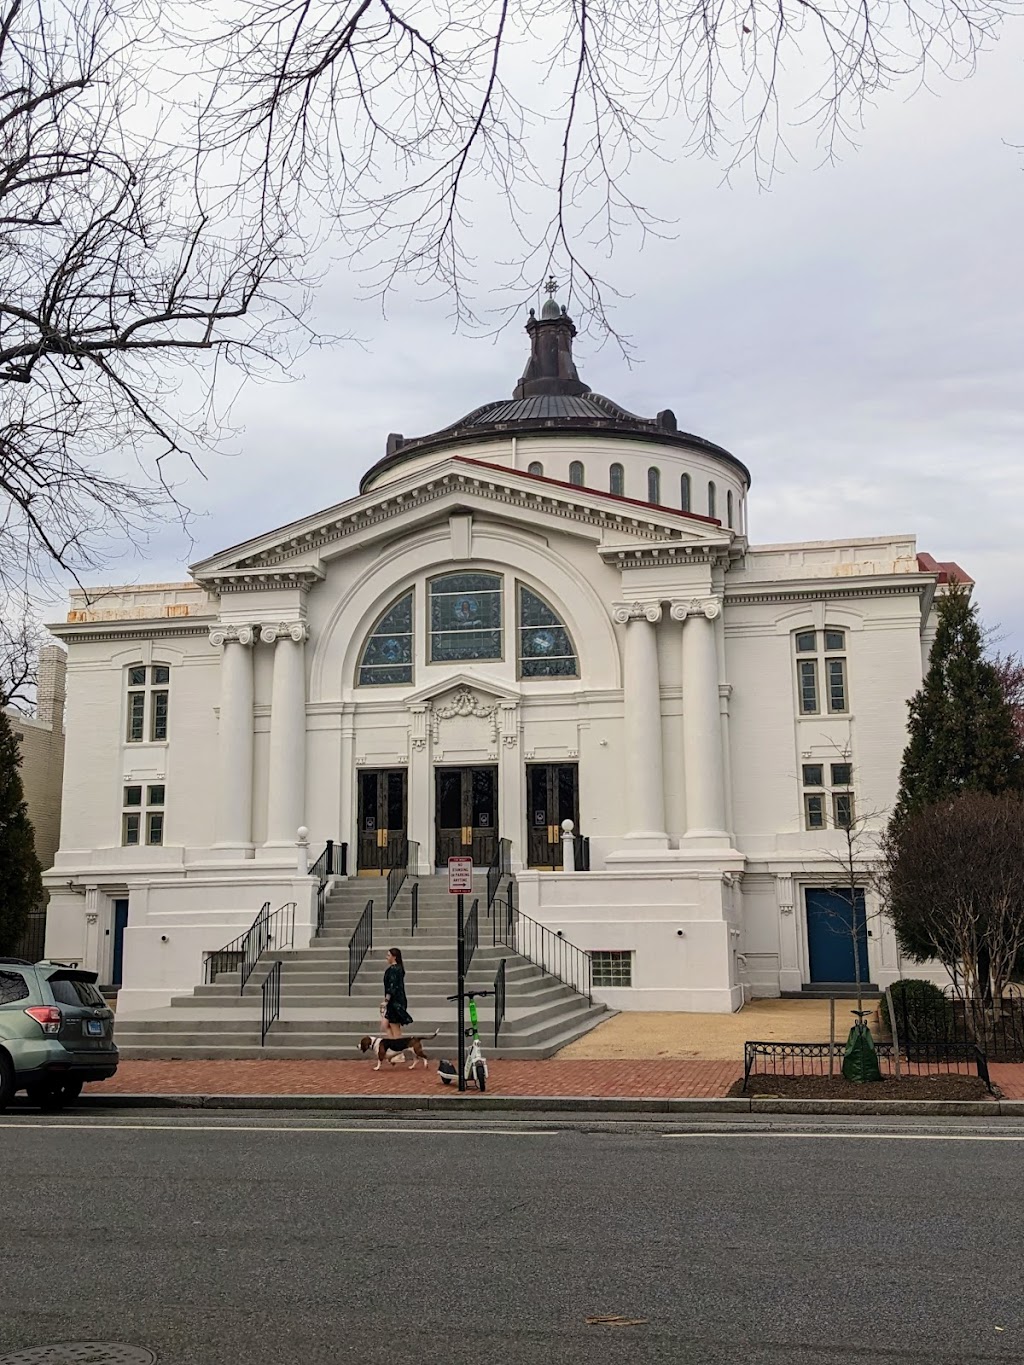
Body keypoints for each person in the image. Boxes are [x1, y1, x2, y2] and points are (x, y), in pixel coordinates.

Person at [382, 947, 412, 1039]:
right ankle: (394, 1048)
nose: (386, 957)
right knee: (385, 1024)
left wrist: (386, 1000)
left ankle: (398, 1050)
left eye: (388, 955)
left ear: (394, 957)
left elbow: (392, 987)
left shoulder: (394, 970)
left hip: (395, 1003)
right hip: (395, 1001)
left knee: (395, 1029)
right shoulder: (397, 969)